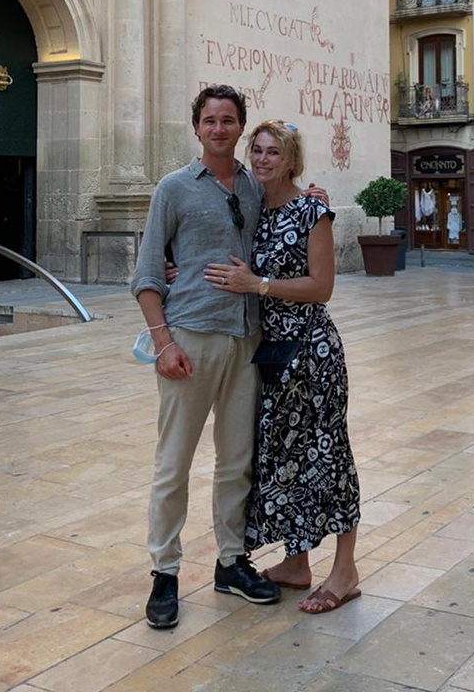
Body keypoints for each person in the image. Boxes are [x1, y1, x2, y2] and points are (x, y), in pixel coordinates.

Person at [131, 86, 327, 629]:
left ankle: (230, 562)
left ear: (240, 127)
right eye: (210, 120)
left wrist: (311, 195)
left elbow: (291, 211)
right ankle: (165, 572)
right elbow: (146, 275)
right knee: (174, 463)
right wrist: (163, 344)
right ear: (196, 127)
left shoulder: (253, 183)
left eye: (229, 120)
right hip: (190, 340)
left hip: (248, 341)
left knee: (237, 461)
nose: (219, 129)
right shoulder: (172, 189)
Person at [203, 120, 361, 614]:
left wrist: (259, 285)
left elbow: (321, 287)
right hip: (271, 354)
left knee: (327, 455)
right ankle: (296, 563)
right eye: (260, 150)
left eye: (276, 152)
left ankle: (345, 570)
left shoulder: (313, 210)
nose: (265, 159)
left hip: (312, 353)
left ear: (292, 160)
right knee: (284, 457)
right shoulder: (251, 209)